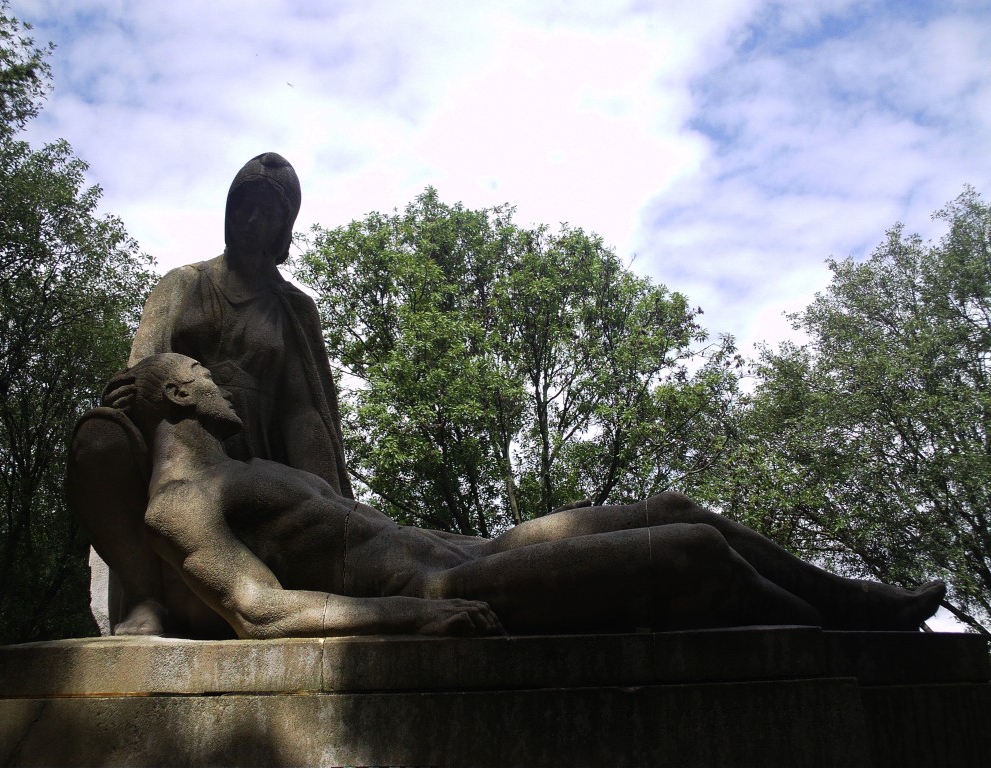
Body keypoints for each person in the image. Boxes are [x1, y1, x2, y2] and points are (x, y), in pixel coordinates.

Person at [81, 352, 946, 639]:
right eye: (202, 373)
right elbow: (261, 610)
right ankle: (838, 643)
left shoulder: (244, 473)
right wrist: (414, 620)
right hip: (444, 590)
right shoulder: (183, 504)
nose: (224, 382)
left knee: (677, 510)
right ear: (179, 396)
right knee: (692, 556)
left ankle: (860, 609)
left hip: (476, 548)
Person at [68, 153, 353, 636]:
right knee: (97, 436)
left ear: (284, 228)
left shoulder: (294, 308)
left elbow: (303, 413)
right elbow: (144, 368)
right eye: (243, 204)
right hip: (181, 447)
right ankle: (144, 597)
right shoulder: (184, 283)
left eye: (267, 210)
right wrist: (125, 393)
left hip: (258, 460)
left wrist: (331, 502)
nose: (250, 218)